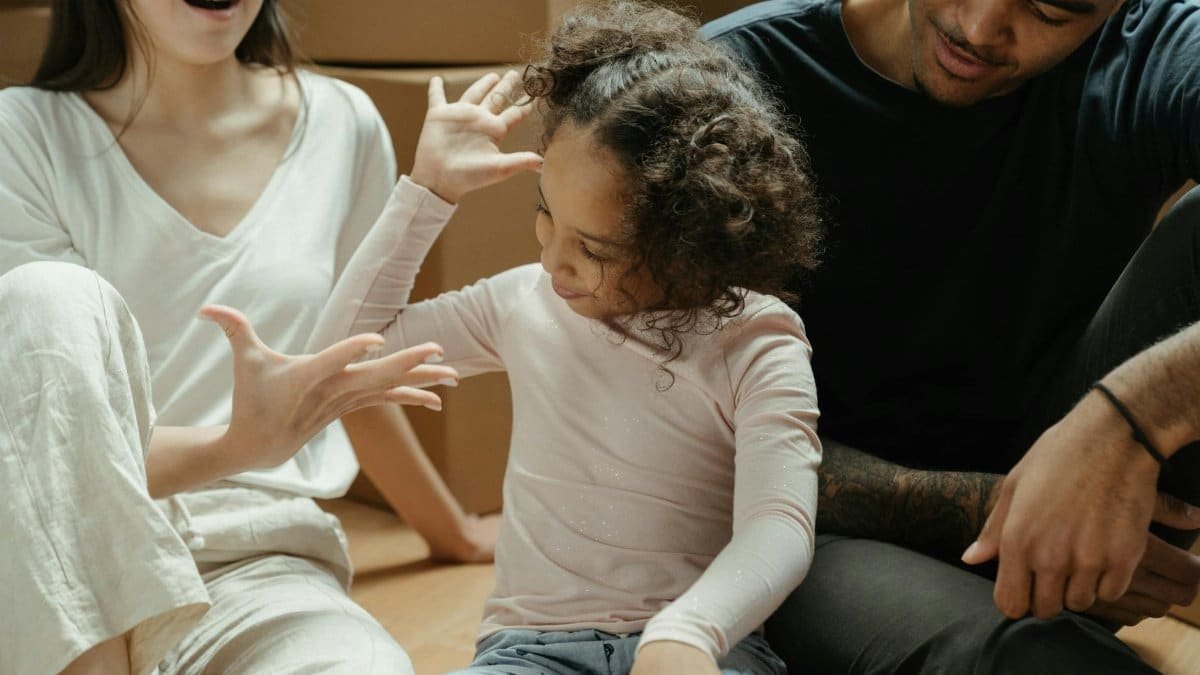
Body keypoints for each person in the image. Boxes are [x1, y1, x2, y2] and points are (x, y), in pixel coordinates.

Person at [0, 0, 539, 673]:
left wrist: (451, 532)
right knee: (47, 295)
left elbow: (345, 368)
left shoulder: (342, 122)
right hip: (49, 561)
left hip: (251, 562)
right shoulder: (20, 135)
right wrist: (239, 443)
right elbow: (39, 448)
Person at [306, 2, 825, 673]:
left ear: (686, 238)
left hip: (705, 644)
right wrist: (426, 191)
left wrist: (691, 629)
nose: (553, 260)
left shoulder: (759, 340)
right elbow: (338, 361)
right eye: (545, 214)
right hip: (531, 649)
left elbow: (778, 525)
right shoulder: (525, 301)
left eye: (593, 247)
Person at [702, 0, 1200, 671]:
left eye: (1051, 10)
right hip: (813, 525)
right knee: (1045, 665)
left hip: (1078, 474)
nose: (980, 27)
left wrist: (1131, 417)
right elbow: (676, 446)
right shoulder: (731, 82)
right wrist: (1000, 509)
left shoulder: (1156, 44)